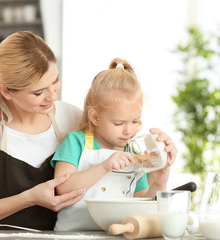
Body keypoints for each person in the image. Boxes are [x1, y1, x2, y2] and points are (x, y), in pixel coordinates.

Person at [0, 31, 86, 230]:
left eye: (55, 81)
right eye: (38, 92)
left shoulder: (72, 117)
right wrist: (30, 198)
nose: (52, 97)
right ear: (5, 91)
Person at [51, 58, 177, 231]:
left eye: (135, 121)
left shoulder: (134, 152)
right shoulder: (76, 141)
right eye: (119, 123)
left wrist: (159, 183)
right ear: (95, 117)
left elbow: (141, 201)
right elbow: (62, 187)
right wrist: (104, 167)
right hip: (72, 234)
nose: (128, 131)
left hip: (117, 234)